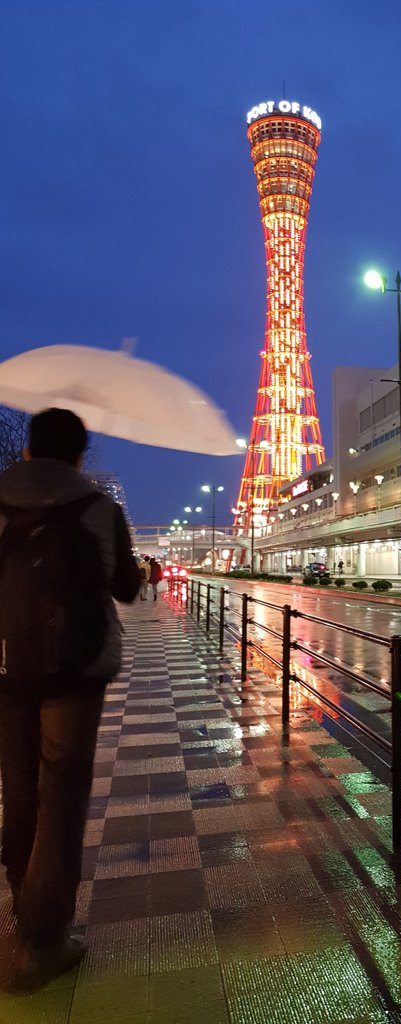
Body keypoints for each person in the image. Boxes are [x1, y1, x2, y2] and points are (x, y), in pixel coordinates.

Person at [0, 408, 140, 990]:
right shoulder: (100, 508)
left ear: (28, 452)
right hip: (77, 676)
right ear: (80, 456)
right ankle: (45, 936)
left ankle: (21, 907)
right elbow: (127, 587)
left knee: (19, 787)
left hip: (6, 669)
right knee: (63, 794)